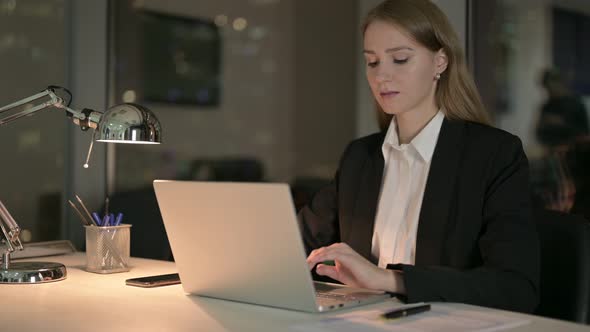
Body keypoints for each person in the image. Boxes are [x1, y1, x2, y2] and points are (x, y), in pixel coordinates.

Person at [298, 0, 539, 313]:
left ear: (440, 61)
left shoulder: (495, 155)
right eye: (372, 62)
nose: (381, 75)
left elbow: (515, 288)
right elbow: (295, 245)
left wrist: (390, 279)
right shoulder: (360, 157)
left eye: (399, 59)